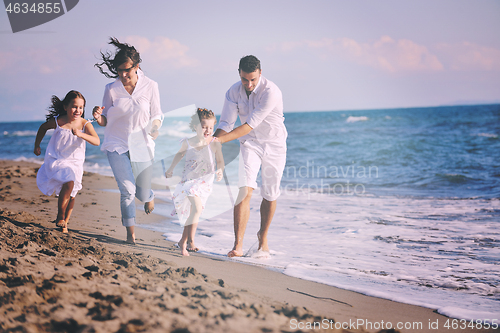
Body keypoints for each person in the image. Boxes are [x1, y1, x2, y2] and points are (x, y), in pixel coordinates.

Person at [214, 55, 287, 257]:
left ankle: (262, 236)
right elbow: (226, 124)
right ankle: (238, 245)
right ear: (239, 74)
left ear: (260, 73)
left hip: (274, 145)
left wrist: (219, 141)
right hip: (250, 144)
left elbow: (248, 125)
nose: (249, 84)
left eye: (253, 79)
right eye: (245, 79)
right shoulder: (233, 92)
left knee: (270, 194)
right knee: (244, 191)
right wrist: (211, 142)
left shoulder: (271, 91)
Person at [93, 37, 163, 244]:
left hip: (142, 144)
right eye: (119, 71)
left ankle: (149, 196)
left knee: (141, 192)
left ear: (137, 66)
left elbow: (157, 113)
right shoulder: (111, 89)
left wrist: (155, 128)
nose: (123, 75)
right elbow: (105, 120)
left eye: (127, 70)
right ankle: (130, 235)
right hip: (117, 144)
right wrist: (98, 118)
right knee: (127, 190)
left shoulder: (151, 86)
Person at [34, 90, 100, 233]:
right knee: (69, 182)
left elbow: (96, 141)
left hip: (76, 162)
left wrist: (81, 134)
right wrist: (37, 145)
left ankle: (65, 223)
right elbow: (43, 127)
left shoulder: (85, 124)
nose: (78, 110)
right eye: (74, 106)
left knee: (73, 193)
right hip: (57, 160)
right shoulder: (59, 121)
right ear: (65, 107)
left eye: (81, 107)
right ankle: (60, 215)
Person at [165, 108, 224, 256]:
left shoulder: (214, 143)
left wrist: (220, 170)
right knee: (196, 210)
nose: (207, 130)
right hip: (188, 183)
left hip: (205, 184)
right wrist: (171, 168)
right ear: (195, 127)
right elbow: (179, 155)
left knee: (194, 213)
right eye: (204, 127)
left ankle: (182, 241)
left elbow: (220, 161)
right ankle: (188, 243)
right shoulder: (188, 142)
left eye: (211, 127)